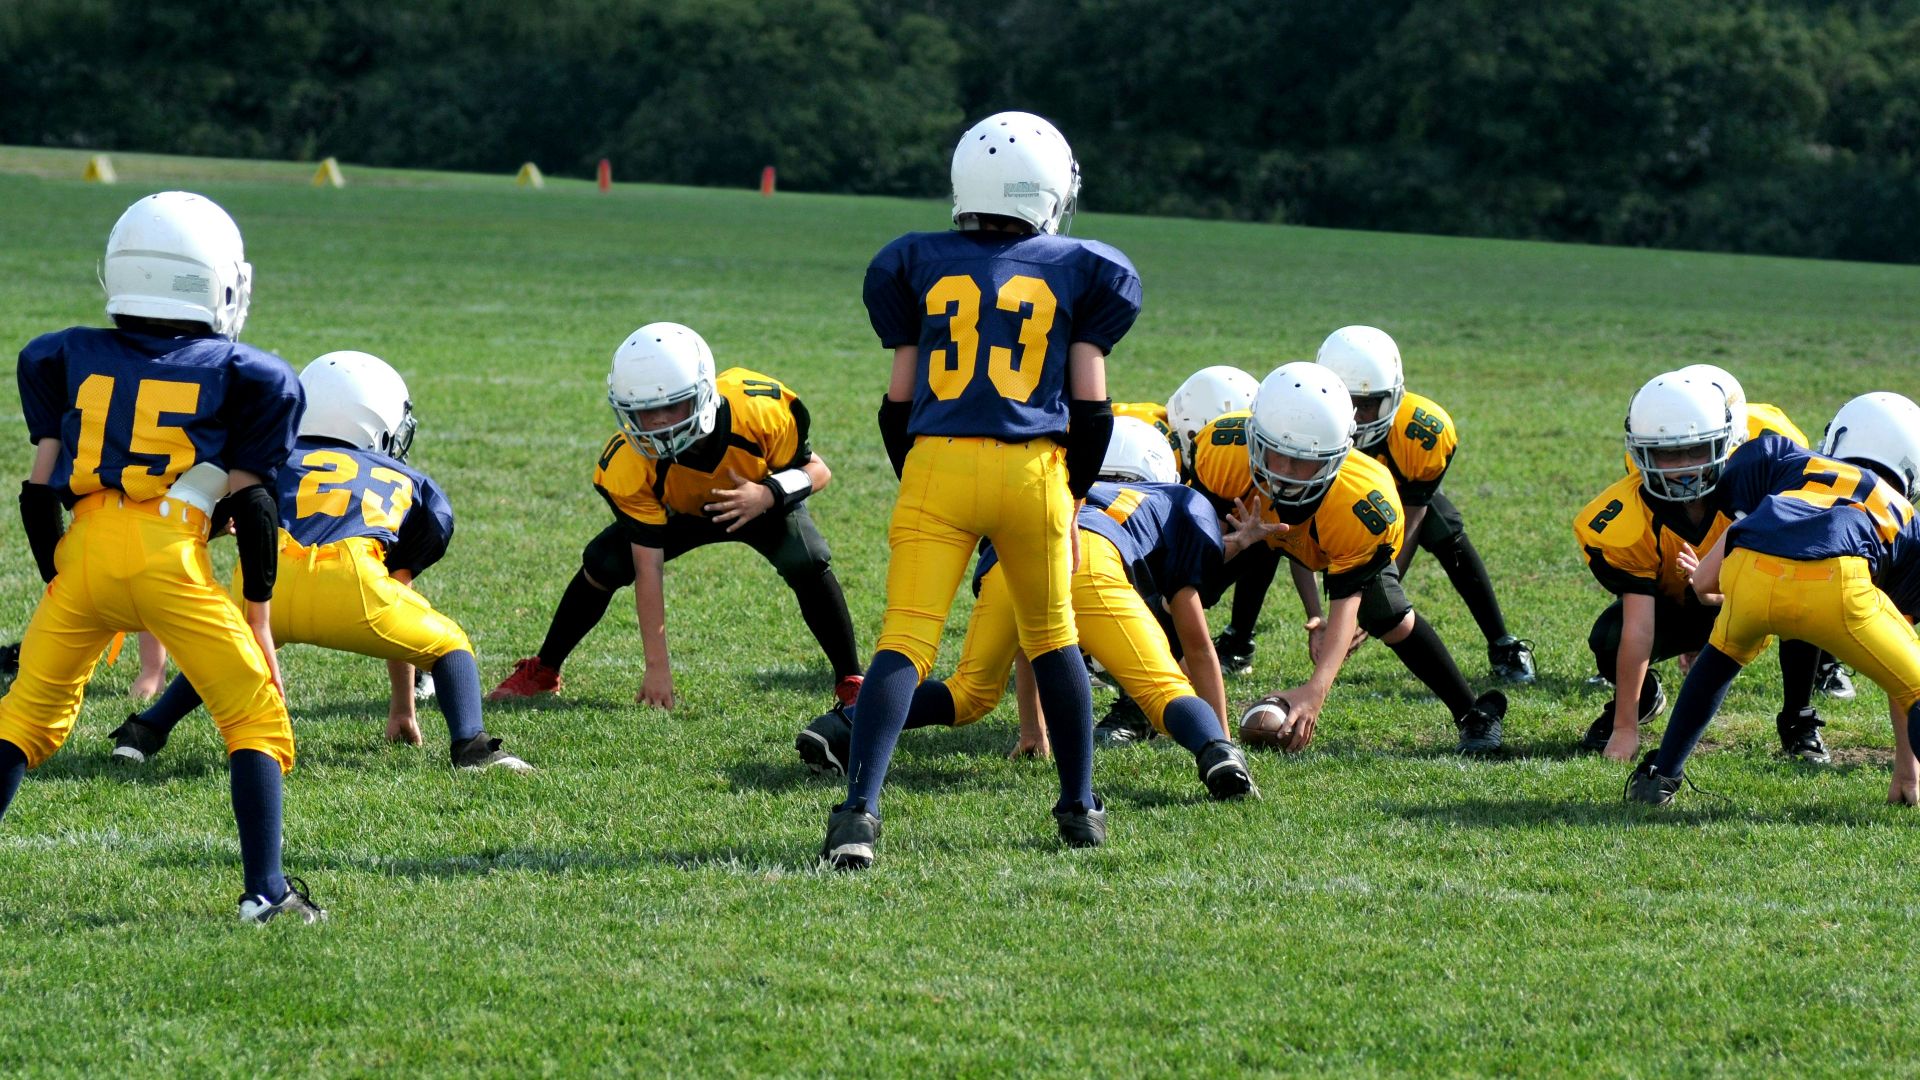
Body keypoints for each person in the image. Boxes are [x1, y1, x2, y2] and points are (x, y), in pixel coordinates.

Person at [824, 110, 1140, 869]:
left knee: (904, 641)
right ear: (1048, 189)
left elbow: (896, 402)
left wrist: (925, 479)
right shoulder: (1081, 266)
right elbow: (1093, 408)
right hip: (1033, 470)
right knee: (1054, 637)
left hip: (936, 459)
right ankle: (1078, 805)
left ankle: (859, 813)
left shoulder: (915, 260)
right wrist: (1069, 494)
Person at [1, 191, 321, 923]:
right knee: (255, 720)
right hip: (168, 561)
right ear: (218, 282)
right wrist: (260, 617)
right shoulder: (251, 374)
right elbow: (255, 507)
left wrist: (62, 581)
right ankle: (266, 894)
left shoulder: (63, 353)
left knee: (22, 720)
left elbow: (35, 493)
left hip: (83, 551)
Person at [108, 351, 530, 772]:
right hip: (352, 585)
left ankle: (143, 732)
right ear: (377, 419)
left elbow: (204, 517)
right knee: (450, 645)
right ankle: (472, 747)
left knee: (225, 651)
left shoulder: (268, 455)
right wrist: (403, 707)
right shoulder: (411, 482)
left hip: (268, 583)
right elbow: (399, 587)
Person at [799, 424, 1260, 800]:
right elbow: (1198, 645)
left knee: (970, 692)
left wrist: (1033, 730)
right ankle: (1214, 753)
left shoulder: (1058, 485)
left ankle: (844, 724)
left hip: (1013, 561)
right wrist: (1224, 736)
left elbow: (1030, 642)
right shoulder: (1173, 501)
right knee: (1162, 690)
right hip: (1093, 563)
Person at [488, 322, 862, 709]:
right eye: (646, 412)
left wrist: (767, 494)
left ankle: (851, 678)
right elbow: (648, 568)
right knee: (604, 562)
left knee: (808, 557)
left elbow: (819, 471)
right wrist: (657, 667)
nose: (659, 422)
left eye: (671, 405)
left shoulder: (759, 410)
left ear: (703, 392)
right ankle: (545, 669)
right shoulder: (629, 462)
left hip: (756, 501)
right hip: (678, 514)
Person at [1626, 392, 1920, 805]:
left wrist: (1718, 595)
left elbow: (1720, 559)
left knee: (1716, 663)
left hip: (1753, 569)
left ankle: (1661, 776)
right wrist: (1907, 771)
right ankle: (1912, 783)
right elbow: (1900, 662)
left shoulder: (1790, 461)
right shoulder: (1904, 514)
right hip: (1838, 583)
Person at [1228, 363, 1508, 755]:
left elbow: (1347, 595)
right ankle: (1148, 695)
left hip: (1337, 532)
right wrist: (1229, 546)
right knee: (1199, 563)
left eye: (1303, 460)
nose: (1287, 472)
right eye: (1276, 454)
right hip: (1256, 528)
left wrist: (1315, 690)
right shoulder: (1224, 456)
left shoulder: (1360, 502)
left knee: (1387, 612)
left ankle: (1473, 713)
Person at [1572, 371, 1822, 761]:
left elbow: (1795, 574)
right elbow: (1639, 628)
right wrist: (1625, 729)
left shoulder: (1761, 482)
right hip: (1684, 605)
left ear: (1728, 442)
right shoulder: (1628, 518)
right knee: (1611, 635)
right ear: (1641, 453)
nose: (1683, 467)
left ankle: (1799, 720)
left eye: (1697, 450)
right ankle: (1639, 701)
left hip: (1767, 594)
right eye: (1667, 453)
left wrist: (1714, 588)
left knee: (1810, 594)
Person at [1312, 326, 1534, 684]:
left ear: (1393, 397)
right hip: (1328, 506)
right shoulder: (1304, 427)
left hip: (1389, 508)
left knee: (1441, 522)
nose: (1354, 416)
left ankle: (1502, 643)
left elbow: (1413, 517)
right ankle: (1237, 640)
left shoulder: (1422, 431)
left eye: (1366, 404)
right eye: (1346, 401)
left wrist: (1380, 593)